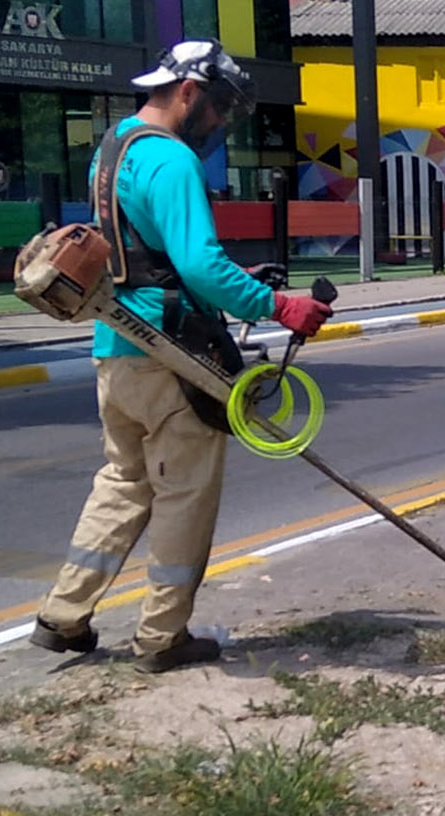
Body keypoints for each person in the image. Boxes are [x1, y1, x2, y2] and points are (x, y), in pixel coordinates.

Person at [32, 40, 333, 672]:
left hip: (114, 347)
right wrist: (279, 305)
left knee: (122, 482)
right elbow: (198, 264)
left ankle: (63, 617)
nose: (221, 124)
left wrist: (220, 277)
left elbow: (145, 256)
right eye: (219, 107)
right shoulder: (171, 161)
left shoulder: (114, 149)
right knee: (184, 495)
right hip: (167, 352)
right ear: (189, 92)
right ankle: (161, 639)